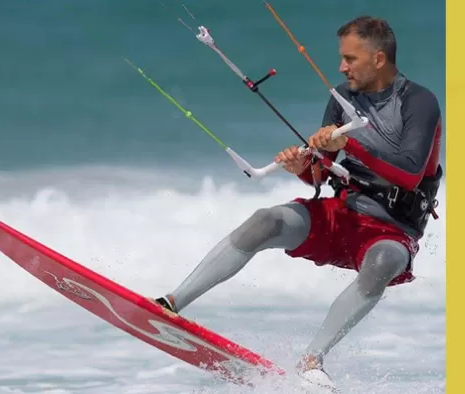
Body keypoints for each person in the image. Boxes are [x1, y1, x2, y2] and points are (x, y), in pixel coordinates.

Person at [154, 15, 443, 390]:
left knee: (384, 261)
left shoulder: (418, 102)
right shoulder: (343, 96)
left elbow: (409, 174)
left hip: (394, 230)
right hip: (346, 213)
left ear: (378, 58)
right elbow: (322, 176)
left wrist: (349, 145)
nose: (342, 67)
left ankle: (312, 361)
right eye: (342, 58)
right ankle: (171, 304)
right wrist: (303, 167)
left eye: (350, 59)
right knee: (266, 220)